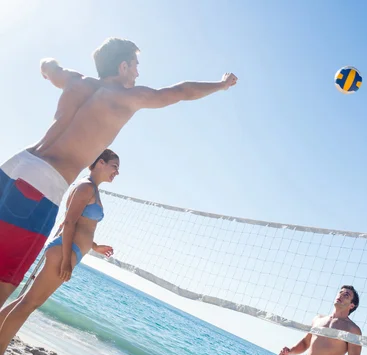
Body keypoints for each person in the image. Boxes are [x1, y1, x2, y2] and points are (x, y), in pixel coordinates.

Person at [0, 37, 237, 307]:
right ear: (123, 66)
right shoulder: (125, 97)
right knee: (4, 277)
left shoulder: (76, 81)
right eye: (135, 65)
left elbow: (49, 66)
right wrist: (221, 84)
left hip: (14, 166)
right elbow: (180, 91)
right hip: (43, 182)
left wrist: (48, 67)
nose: (138, 73)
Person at [0, 149, 119, 355]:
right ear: (100, 162)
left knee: (25, 301)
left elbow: (82, 225)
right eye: (114, 166)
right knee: (29, 304)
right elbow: (70, 223)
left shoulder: (93, 189)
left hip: (70, 251)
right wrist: (66, 260)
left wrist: (95, 246)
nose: (117, 172)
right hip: (64, 252)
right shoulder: (85, 187)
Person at [279, 285, 362, 355]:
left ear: (352, 305)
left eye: (346, 295)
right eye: (340, 292)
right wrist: (290, 350)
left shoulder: (353, 329)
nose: (340, 295)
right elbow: (305, 343)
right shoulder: (318, 319)